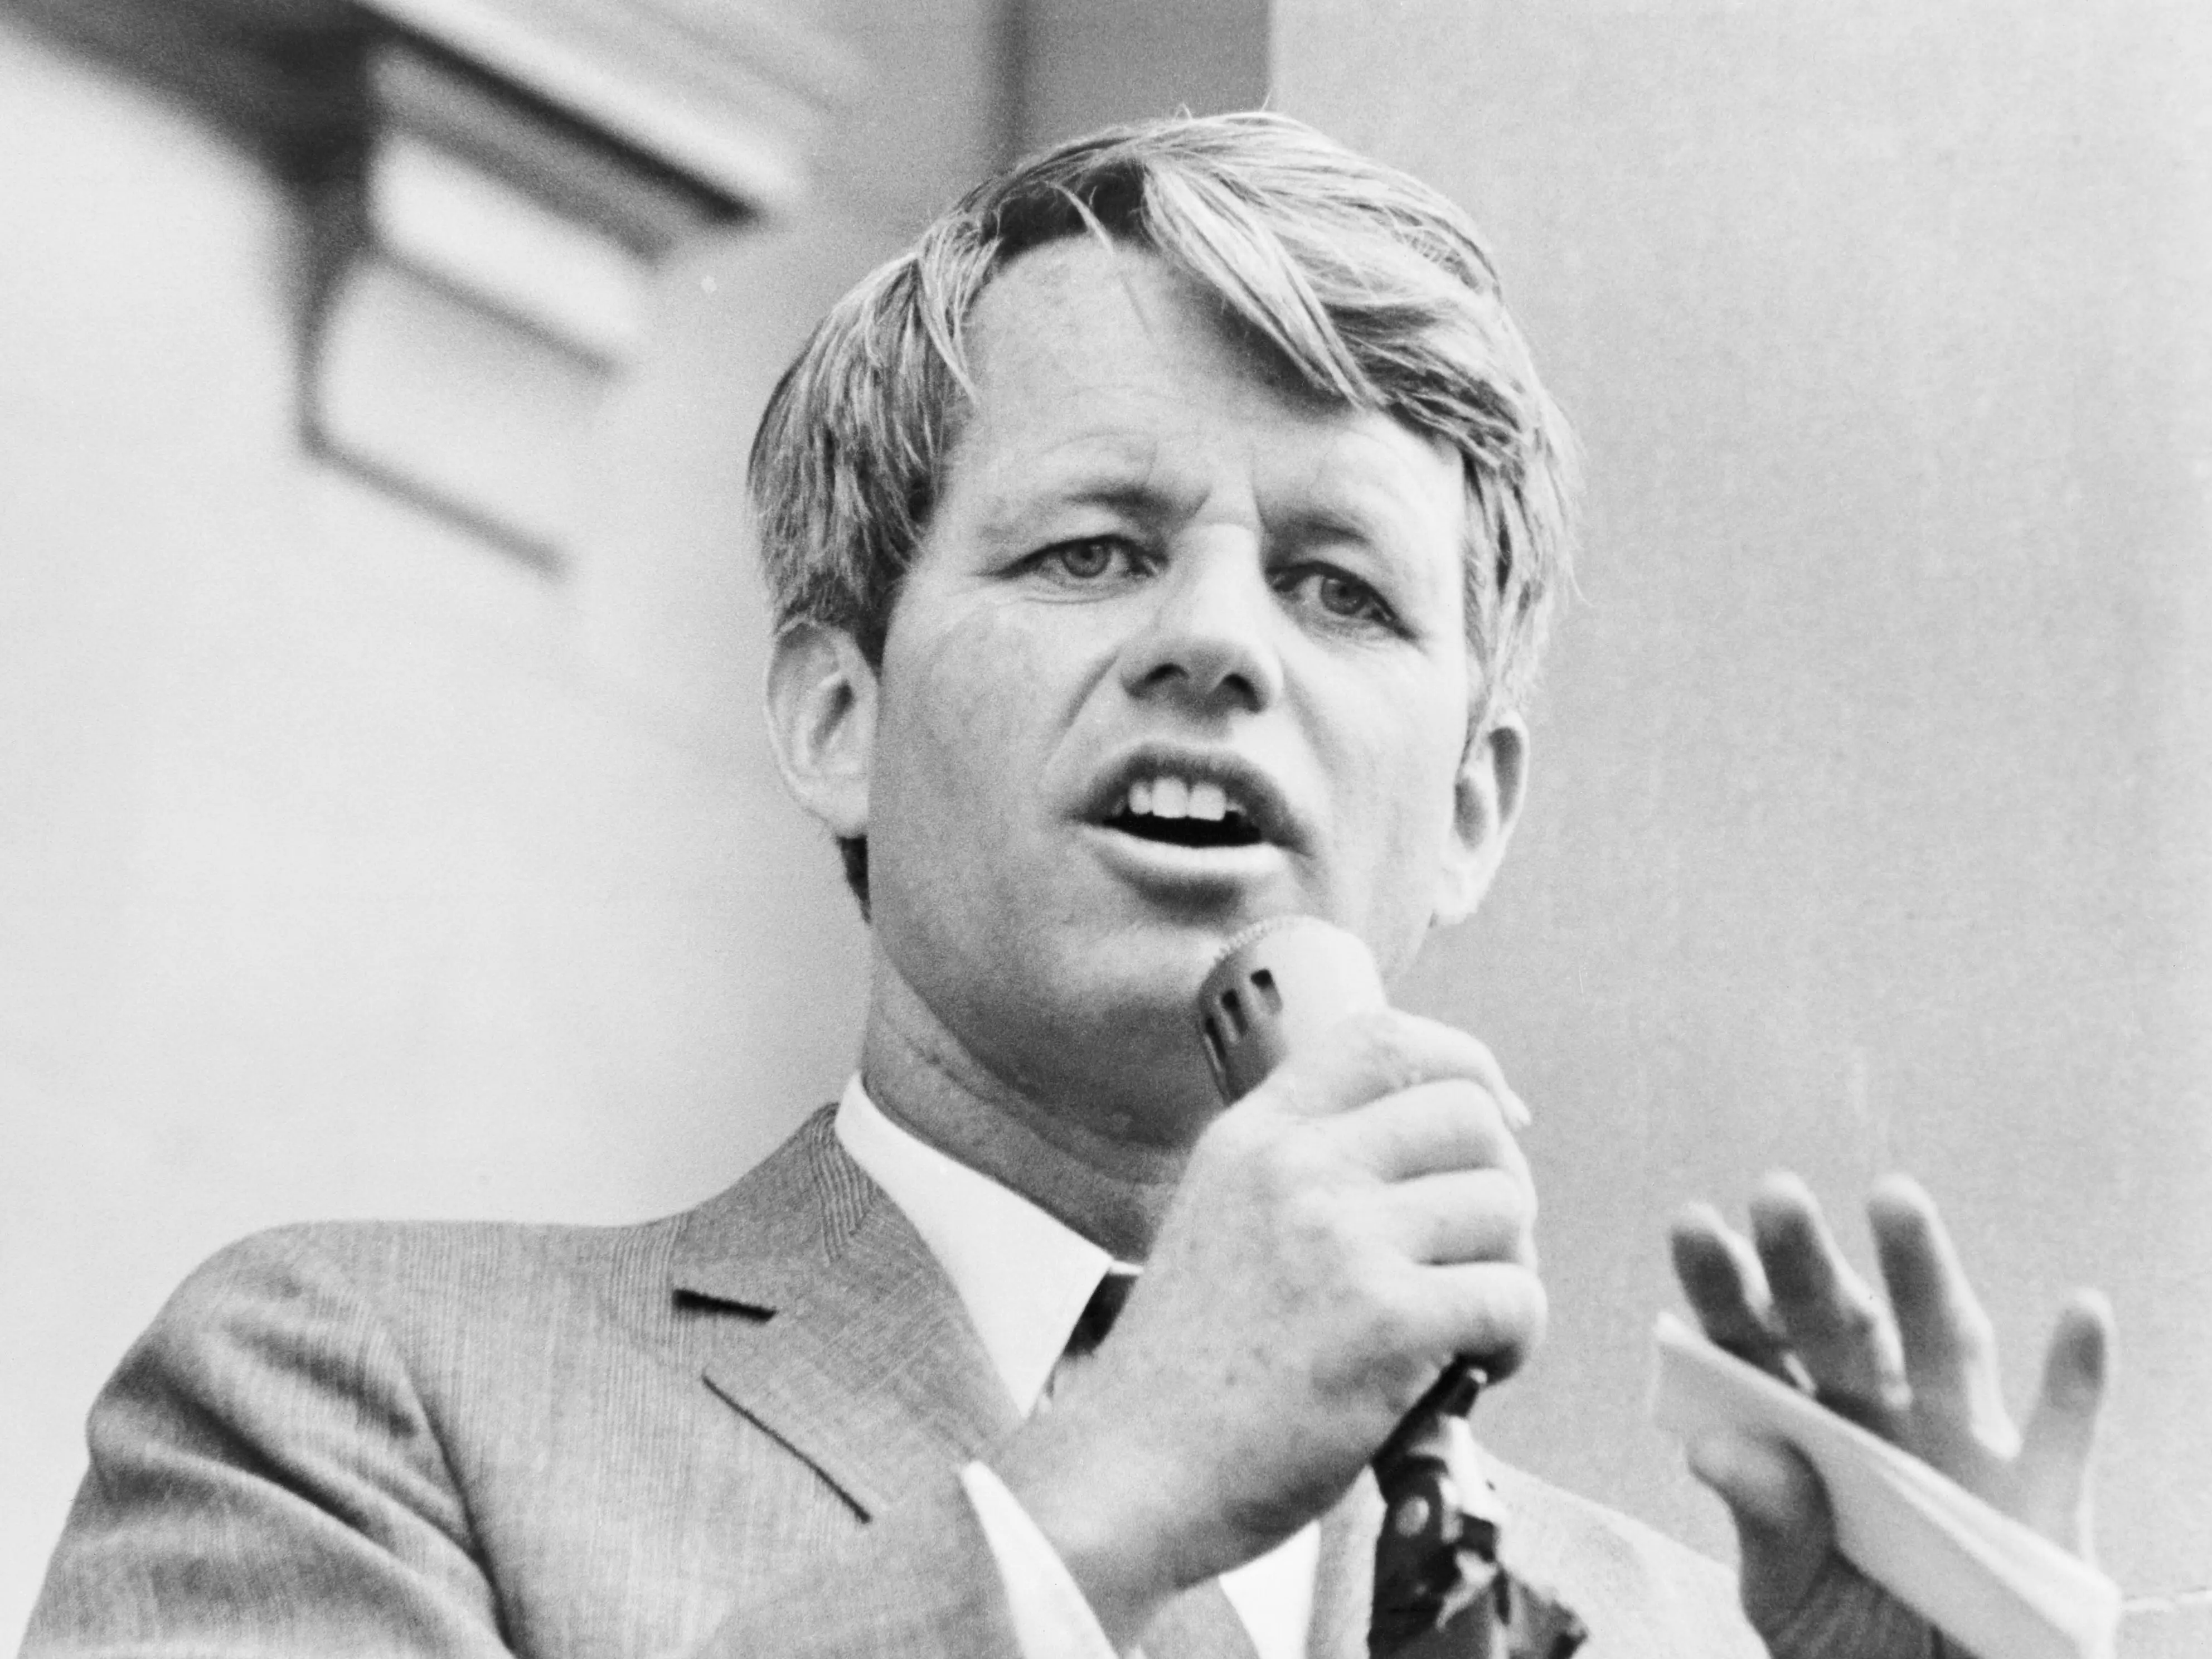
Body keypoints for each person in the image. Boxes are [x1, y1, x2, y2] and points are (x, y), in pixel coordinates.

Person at [23, 114, 2110, 1659]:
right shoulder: (348, 1391)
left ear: (1472, 805)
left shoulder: (1703, 1631)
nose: (1219, 645)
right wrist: (1088, 1505)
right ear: (837, 713)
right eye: (1093, 547)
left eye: (1339, 588)